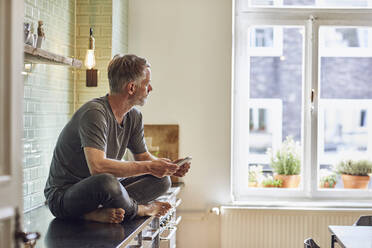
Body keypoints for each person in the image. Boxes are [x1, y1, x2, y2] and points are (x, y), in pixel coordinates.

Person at [44, 54, 191, 223]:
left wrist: (167, 167)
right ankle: (140, 210)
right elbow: (97, 167)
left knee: (162, 181)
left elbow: (143, 158)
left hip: (102, 194)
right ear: (131, 88)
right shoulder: (95, 113)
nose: (150, 88)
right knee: (106, 181)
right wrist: (150, 167)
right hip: (63, 197)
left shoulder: (133, 116)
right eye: (146, 84)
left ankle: (97, 212)